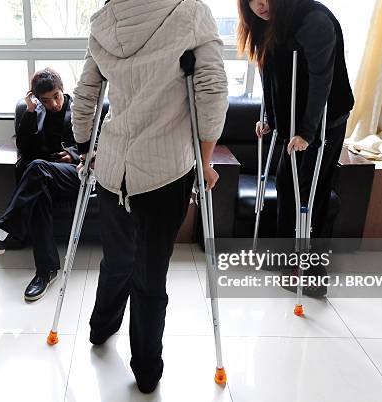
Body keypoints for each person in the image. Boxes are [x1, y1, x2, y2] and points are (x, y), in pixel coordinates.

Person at [71, 0, 228, 394]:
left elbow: (86, 93)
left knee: (117, 258)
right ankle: (145, 369)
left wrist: (82, 145)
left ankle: (101, 327)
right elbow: (211, 92)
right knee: (150, 275)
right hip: (163, 173)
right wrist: (205, 162)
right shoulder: (191, 13)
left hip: (111, 168)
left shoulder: (105, 19)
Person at [237, 0, 354, 296]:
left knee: (310, 191)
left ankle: (312, 274)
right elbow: (268, 71)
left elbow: (321, 81)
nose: (259, 5)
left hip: (323, 122)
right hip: (292, 121)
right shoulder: (265, 23)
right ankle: (286, 258)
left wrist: (307, 132)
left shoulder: (313, 19)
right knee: (288, 186)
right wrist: (269, 118)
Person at [0, 68, 82, 301]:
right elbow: (24, 147)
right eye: (45, 100)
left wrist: (74, 154)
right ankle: (46, 271)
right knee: (38, 191)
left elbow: (100, 141)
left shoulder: (80, 107)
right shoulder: (35, 112)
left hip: (75, 173)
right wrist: (30, 111)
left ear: (62, 89)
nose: (54, 104)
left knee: (36, 168)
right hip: (44, 175)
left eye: (56, 96)